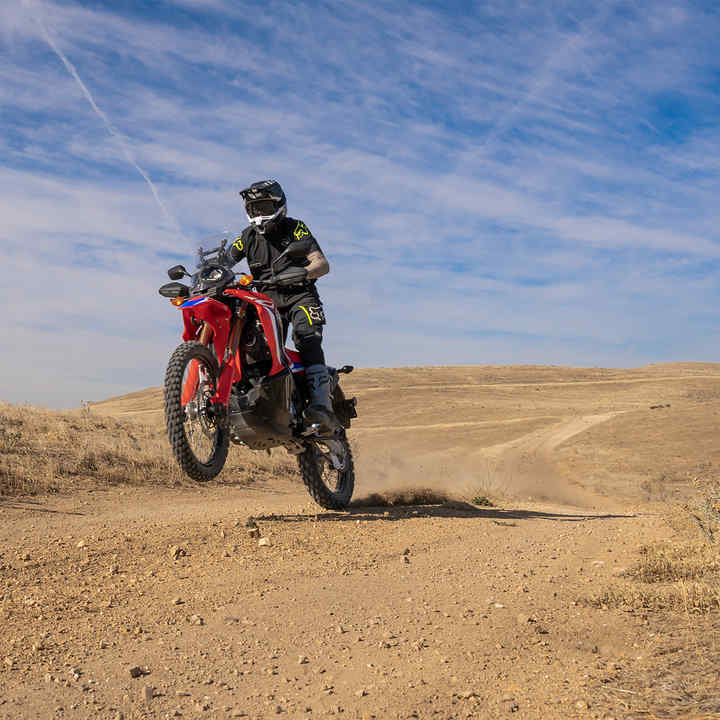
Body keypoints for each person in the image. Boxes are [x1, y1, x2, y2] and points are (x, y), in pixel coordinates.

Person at [226, 179, 338, 431]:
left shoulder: (296, 229)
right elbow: (226, 260)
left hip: (300, 296)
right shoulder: (247, 237)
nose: (260, 213)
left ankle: (321, 404)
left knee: (307, 338)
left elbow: (322, 264)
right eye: (255, 208)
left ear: (279, 205)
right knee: (256, 348)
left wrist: (304, 273)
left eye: (265, 206)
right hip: (266, 301)